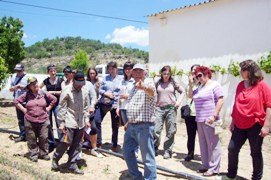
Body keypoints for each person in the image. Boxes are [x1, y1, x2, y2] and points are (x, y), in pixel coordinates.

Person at [224, 60, 271, 180]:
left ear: (250, 71)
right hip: (239, 123)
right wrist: (233, 121)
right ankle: (231, 175)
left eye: (242, 70)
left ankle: (256, 178)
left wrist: (266, 125)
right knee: (232, 148)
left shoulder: (262, 85)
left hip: (255, 124)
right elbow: (236, 104)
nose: (240, 72)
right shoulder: (240, 85)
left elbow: (269, 106)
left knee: (255, 152)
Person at [51, 71, 90, 175]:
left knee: (77, 144)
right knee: (65, 142)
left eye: (82, 84)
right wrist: (62, 123)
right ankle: (55, 159)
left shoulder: (84, 91)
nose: (80, 86)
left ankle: (71, 164)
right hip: (69, 121)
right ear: (73, 81)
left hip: (80, 122)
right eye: (78, 84)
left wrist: (86, 120)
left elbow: (86, 107)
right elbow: (62, 108)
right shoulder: (67, 91)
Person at [188, 66, 224, 176]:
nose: (198, 78)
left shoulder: (214, 84)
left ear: (207, 74)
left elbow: (221, 100)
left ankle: (214, 168)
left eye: (200, 75)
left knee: (213, 144)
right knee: (203, 143)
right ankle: (205, 165)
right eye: (196, 76)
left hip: (210, 119)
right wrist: (190, 84)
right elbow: (190, 96)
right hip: (199, 119)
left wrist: (214, 115)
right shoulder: (200, 86)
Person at [123, 63, 157, 179]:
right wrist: (128, 121)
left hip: (144, 126)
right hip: (132, 125)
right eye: (135, 71)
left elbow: (151, 92)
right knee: (127, 152)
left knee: (147, 158)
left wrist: (144, 87)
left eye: (140, 71)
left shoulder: (148, 83)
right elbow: (133, 105)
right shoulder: (133, 86)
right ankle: (136, 177)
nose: (137, 73)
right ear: (132, 73)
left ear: (144, 73)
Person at [14, 76, 57, 162]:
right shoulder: (26, 95)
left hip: (43, 120)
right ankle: (33, 154)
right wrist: (23, 110)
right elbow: (16, 101)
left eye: (36, 83)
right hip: (30, 120)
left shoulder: (43, 93)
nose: (35, 85)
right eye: (32, 84)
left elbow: (54, 99)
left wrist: (48, 108)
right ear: (29, 87)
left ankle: (43, 153)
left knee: (44, 137)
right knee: (31, 138)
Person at [154, 65, 184, 159]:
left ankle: (167, 150)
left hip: (171, 109)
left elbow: (183, 92)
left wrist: (178, 102)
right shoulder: (157, 83)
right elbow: (152, 92)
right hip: (159, 108)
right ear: (161, 74)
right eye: (164, 73)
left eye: (168, 74)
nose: (166, 75)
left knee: (171, 130)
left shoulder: (173, 82)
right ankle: (154, 148)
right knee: (156, 130)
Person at [93, 61, 121, 152]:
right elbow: (100, 90)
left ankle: (114, 144)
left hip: (115, 104)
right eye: (109, 68)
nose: (111, 70)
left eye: (113, 68)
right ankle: (99, 143)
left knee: (115, 125)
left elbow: (122, 92)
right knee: (97, 121)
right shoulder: (105, 79)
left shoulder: (121, 79)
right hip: (105, 103)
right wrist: (106, 93)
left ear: (116, 69)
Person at [40, 64, 63, 152]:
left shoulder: (61, 80)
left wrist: (52, 92)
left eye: (54, 71)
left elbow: (63, 91)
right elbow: (39, 88)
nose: (53, 73)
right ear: (48, 72)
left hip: (58, 104)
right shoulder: (46, 81)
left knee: (59, 123)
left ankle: (61, 143)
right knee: (48, 124)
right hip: (48, 105)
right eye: (51, 71)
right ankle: (51, 142)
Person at [83, 67, 103, 158]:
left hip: (92, 108)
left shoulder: (95, 83)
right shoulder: (84, 83)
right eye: (90, 73)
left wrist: (92, 105)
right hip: (80, 111)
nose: (92, 75)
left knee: (94, 127)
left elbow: (94, 96)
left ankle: (95, 147)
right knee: (80, 130)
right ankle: (78, 149)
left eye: (93, 73)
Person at [183, 64, 200, 162]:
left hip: (201, 114)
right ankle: (190, 153)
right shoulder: (189, 85)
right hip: (190, 114)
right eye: (193, 71)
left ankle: (205, 155)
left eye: (196, 71)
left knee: (203, 137)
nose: (194, 72)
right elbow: (190, 97)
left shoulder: (203, 84)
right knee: (191, 135)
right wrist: (190, 84)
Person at [9, 64, 28, 142]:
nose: (18, 72)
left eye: (19, 70)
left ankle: (30, 135)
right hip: (17, 101)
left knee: (28, 119)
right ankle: (23, 135)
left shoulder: (28, 77)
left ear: (23, 70)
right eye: (16, 70)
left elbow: (34, 88)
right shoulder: (13, 77)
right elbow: (10, 89)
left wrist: (24, 87)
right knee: (20, 119)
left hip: (27, 101)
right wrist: (15, 87)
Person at [116, 61, 135, 126]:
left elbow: (138, 95)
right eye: (126, 69)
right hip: (123, 108)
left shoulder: (135, 81)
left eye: (129, 69)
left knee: (133, 128)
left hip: (132, 108)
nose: (127, 70)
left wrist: (128, 96)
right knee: (126, 128)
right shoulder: (122, 81)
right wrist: (118, 108)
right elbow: (119, 95)